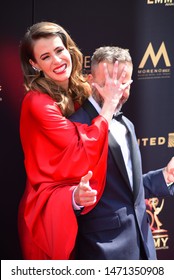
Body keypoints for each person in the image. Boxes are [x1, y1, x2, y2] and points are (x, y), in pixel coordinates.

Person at [18, 22, 132, 260]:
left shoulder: (80, 88)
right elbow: (81, 151)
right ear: (34, 64)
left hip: (87, 216)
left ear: (68, 49)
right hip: (49, 214)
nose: (57, 61)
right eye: (45, 56)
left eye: (59, 50)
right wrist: (109, 105)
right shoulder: (36, 102)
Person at [69, 46, 174, 260]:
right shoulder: (75, 126)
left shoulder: (127, 124)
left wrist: (164, 176)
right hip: (103, 251)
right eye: (110, 81)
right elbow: (65, 197)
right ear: (90, 79)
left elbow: (126, 190)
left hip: (143, 246)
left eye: (124, 83)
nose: (117, 90)